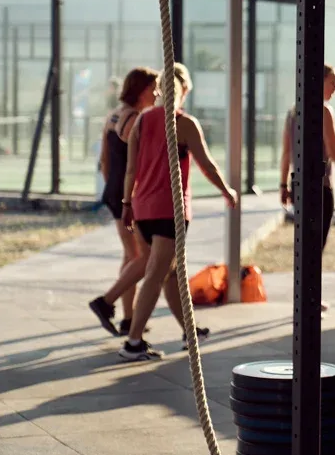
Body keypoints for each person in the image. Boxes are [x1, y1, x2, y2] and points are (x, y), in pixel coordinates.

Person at [117, 63, 238, 361]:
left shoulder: (142, 122)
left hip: (143, 210)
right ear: (183, 91)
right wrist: (227, 191)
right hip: (168, 211)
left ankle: (190, 330)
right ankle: (133, 342)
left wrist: (127, 205)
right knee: (157, 275)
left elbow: (130, 170)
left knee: (171, 275)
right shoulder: (183, 122)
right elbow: (207, 164)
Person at [279, 64, 335, 312]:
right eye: (332, 82)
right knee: (316, 244)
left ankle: (305, 296)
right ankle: (309, 297)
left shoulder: (293, 112)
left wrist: (283, 184)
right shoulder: (324, 111)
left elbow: (286, 153)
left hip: (298, 183)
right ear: (320, 82)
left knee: (307, 242)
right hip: (321, 186)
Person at [91, 67, 160, 336]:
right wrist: (131, 197)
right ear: (142, 90)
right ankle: (106, 303)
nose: (156, 94)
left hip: (115, 192)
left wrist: (113, 189)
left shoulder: (113, 115)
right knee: (142, 257)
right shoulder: (134, 120)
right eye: (153, 89)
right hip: (127, 196)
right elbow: (139, 165)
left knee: (131, 255)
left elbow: (105, 161)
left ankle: (129, 318)